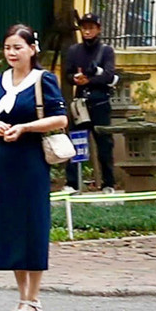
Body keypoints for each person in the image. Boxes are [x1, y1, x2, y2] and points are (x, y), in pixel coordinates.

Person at [0, 25, 68, 311]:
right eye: (8, 47)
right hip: (6, 161)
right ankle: (21, 295)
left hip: (32, 160)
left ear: (32, 49)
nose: (12, 52)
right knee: (10, 227)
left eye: (18, 47)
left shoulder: (43, 80)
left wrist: (26, 127)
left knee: (33, 225)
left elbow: (61, 117)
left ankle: (33, 299)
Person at [63, 12, 117, 194]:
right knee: (75, 142)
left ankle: (108, 183)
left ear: (98, 29)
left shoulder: (106, 51)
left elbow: (109, 75)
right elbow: (67, 74)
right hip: (80, 103)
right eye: (84, 27)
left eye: (91, 27)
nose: (87, 31)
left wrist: (91, 80)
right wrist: (75, 79)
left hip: (100, 102)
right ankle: (72, 183)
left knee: (104, 144)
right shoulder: (74, 51)